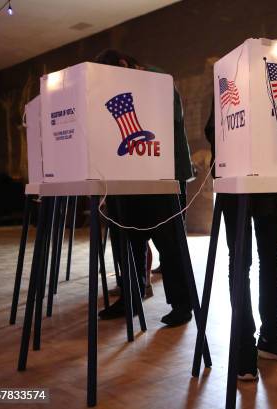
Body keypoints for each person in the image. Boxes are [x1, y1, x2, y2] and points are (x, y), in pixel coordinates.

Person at [203, 31, 277, 381]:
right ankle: (243, 346)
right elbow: (212, 128)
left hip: (269, 184)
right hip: (237, 185)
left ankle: (270, 337)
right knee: (242, 263)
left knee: (272, 260)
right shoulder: (240, 74)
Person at [95, 49, 195, 327]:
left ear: (125, 65)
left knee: (169, 244)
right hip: (127, 171)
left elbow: (171, 119)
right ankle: (131, 297)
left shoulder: (157, 78)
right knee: (127, 239)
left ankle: (182, 304)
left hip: (162, 174)